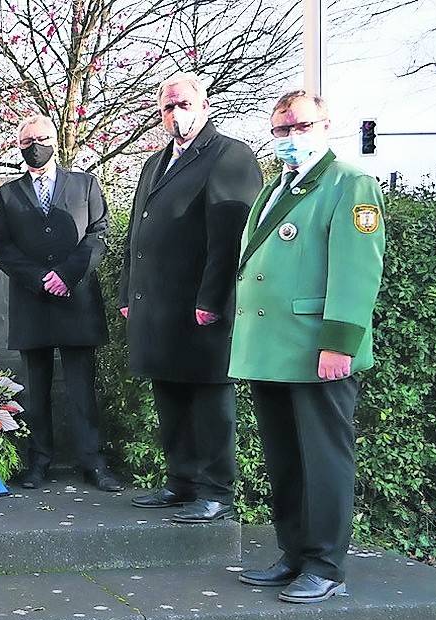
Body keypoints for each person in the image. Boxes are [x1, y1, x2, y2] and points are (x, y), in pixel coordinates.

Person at [231, 91, 385, 604]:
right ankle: (294, 553)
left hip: (316, 347)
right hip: (271, 349)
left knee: (323, 460)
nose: (291, 138)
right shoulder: (274, 188)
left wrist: (339, 343)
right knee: (285, 458)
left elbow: (357, 269)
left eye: (301, 126)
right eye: (281, 130)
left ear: (324, 125)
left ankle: (325, 565)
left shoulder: (349, 183)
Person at [119, 72, 262, 522]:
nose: (175, 114)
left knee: (209, 399)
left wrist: (212, 299)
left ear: (204, 106)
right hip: (159, 306)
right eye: (167, 106)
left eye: (183, 104)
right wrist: (127, 291)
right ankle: (180, 481)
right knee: (170, 394)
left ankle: (216, 491)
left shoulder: (229, 155)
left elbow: (230, 238)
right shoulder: (155, 162)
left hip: (201, 306)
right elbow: (136, 234)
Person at [0, 114, 122, 493]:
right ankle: (38, 462)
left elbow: (98, 233)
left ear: (55, 140)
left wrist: (67, 274)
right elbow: (0, 246)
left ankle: (93, 462)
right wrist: (38, 278)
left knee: (82, 389)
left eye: (41, 139)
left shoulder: (85, 184)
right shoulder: (7, 194)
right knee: (35, 390)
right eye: (26, 142)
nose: (35, 147)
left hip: (76, 300)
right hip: (32, 302)